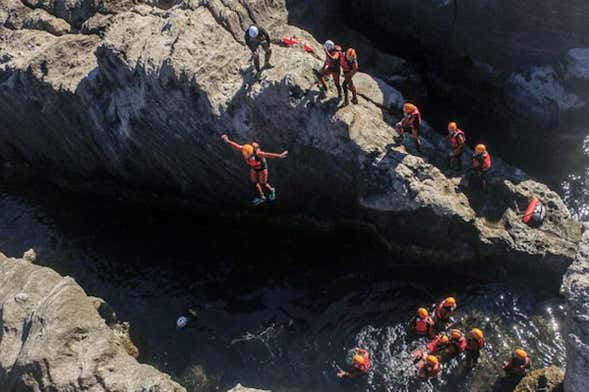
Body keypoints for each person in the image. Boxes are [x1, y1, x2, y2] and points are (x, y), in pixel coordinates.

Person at [221, 134, 288, 205]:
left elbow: (268, 154)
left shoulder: (258, 154)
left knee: (263, 184)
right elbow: (236, 146)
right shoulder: (244, 149)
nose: (248, 158)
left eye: (250, 156)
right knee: (254, 182)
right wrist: (227, 141)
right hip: (254, 168)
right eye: (247, 157)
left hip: (262, 168)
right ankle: (262, 196)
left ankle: (272, 190)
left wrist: (279, 156)